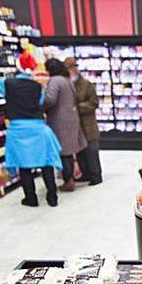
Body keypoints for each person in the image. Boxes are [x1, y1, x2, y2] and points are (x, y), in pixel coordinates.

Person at [0, 51, 62, 207]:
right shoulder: (37, 86)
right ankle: (52, 197)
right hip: (38, 129)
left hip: (17, 130)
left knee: (24, 166)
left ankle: (31, 198)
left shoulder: (8, 84)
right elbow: (40, 102)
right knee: (46, 163)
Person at [43, 58, 87, 192]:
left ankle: (68, 180)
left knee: (64, 152)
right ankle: (70, 179)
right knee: (68, 150)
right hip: (72, 118)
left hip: (59, 120)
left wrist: (40, 105)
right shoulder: (67, 80)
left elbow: (50, 99)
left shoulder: (55, 81)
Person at [65, 57, 102, 185]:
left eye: (72, 68)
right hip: (76, 125)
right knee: (80, 152)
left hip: (88, 124)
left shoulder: (87, 84)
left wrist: (78, 107)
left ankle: (96, 176)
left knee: (92, 152)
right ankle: (85, 174)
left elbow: (94, 103)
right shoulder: (67, 85)